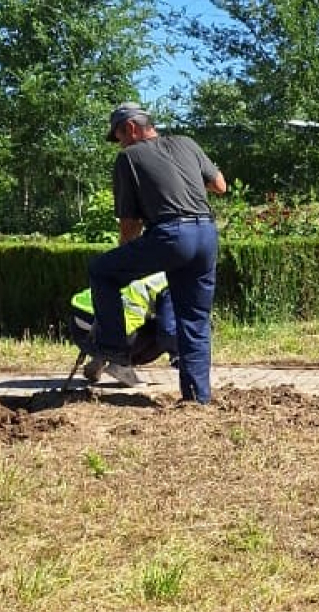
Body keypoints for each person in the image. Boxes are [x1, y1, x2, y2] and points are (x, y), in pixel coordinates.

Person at [89, 103, 227, 403]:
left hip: (171, 235)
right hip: (206, 234)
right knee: (194, 319)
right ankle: (196, 399)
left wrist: (124, 255)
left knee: (102, 271)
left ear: (132, 128)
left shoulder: (129, 158)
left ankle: (114, 351)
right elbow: (220, 185)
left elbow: (130, 223)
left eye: (119, 136)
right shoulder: (187, 143)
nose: (120, 144)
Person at [70, 270, 179, 383]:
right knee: (160, 330)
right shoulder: (171, 285)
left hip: (79, 327)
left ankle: (101, 357)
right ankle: (120, 364)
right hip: (100, 334)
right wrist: (180, 358)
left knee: (150, 318)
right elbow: (168, 332)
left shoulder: (153, 271)